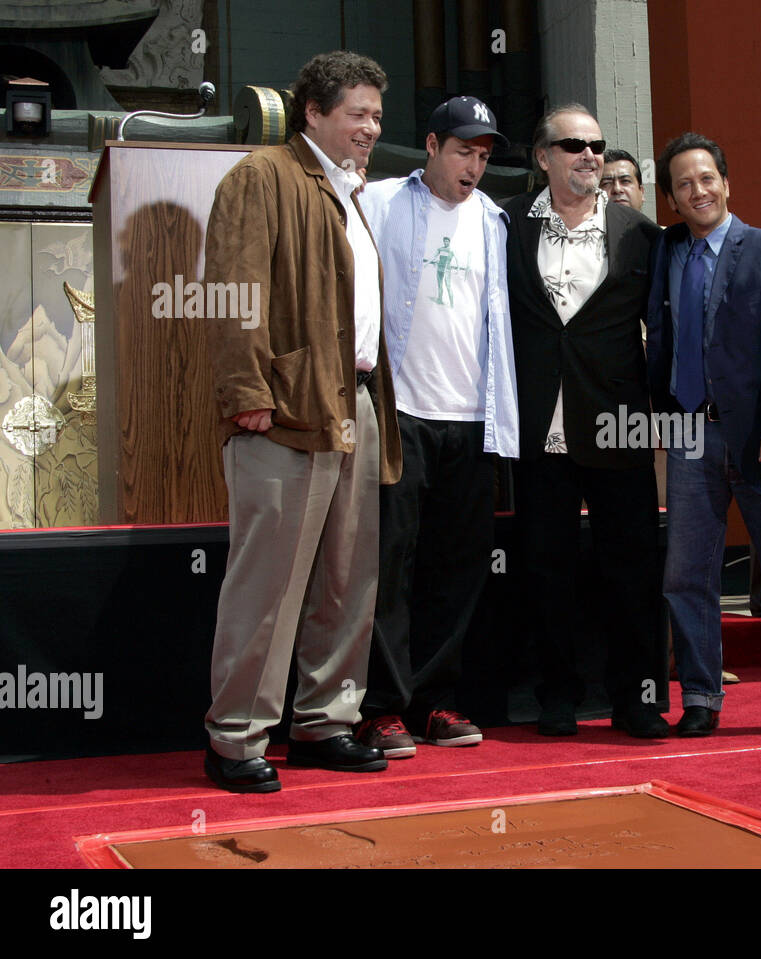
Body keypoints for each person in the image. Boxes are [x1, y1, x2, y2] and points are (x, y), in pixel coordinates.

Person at [202, 51, 401, 792]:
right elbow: (231, 287)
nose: (371, 128)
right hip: (282, 408)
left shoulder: (349, 192)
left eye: (377, 115)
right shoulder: (262, 176)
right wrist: (245, 390)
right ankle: (235, 737)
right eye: (357, 113)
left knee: (348, 577)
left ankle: (325, 720)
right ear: (312, 111)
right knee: (269, 580)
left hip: (356, 401)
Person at [645, 132, 761, 738]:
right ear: (671, 198)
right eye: (683, 184)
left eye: (706, 178)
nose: (697, 191)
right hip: (690, 435)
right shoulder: (665, 251)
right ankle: (699, 697)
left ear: (726, 183)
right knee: (686, 574)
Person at [353, 96, 518, 758]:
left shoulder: (496, 221)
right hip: (402, 414)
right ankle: (381, 707)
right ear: (430, 145)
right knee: (390, 563)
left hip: (472, 418)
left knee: (457, 569)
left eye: (482, 156)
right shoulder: (381, 203)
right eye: (462, 152)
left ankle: (435, 700)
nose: (472, 167)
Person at [504, 104, 667, 738]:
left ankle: (638, 699)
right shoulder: (506, 224)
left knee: (630, 569)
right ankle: (556, 696)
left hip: (617, 425)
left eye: (597, 144)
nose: (590, 155)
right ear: (543, 157)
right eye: (573, 145)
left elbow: (667, 330)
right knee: (546, 568)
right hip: (537, 423)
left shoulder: (639, 233)